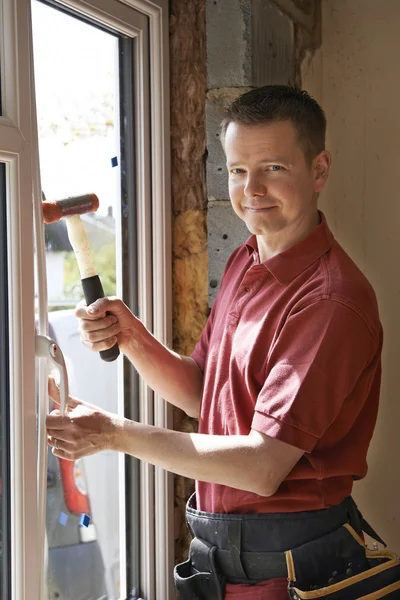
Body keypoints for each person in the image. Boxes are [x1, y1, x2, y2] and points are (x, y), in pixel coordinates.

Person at [47, 86, 388, 600]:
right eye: (236, 170)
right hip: (221, 563)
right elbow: (202, 394)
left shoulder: (330, 302)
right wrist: (132, 336)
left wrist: (114, 433)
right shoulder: (246, 260)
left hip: (291, 573)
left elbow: (261, 466)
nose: (251, 189)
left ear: (318, 170)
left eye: (273, 168)